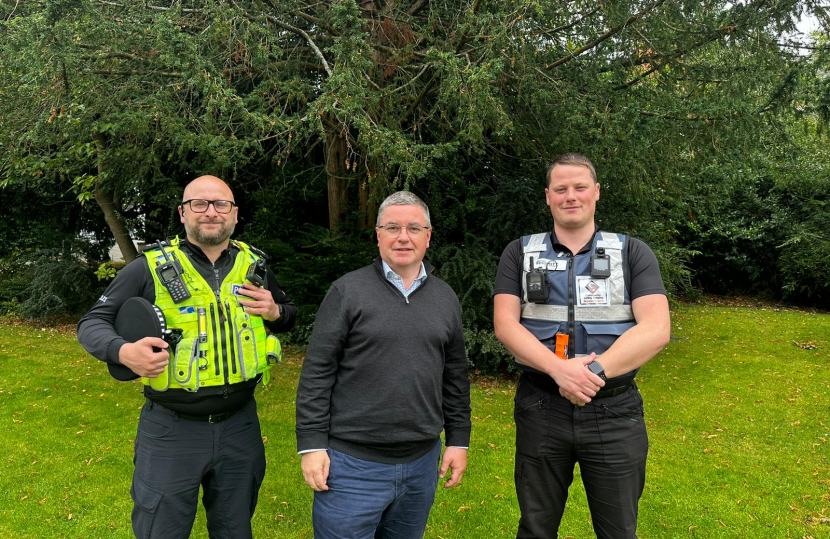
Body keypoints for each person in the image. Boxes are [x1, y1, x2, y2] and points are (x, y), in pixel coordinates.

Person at [77, 175, 297, 539]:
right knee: (161, 530)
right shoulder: (148, 267)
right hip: (171, 430)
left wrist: (276, 312)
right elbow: (92, 323)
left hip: (240, 426)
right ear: (183, 213)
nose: (211, 212)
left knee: (235, 530)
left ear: (234, 214)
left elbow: (288, 314)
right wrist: (123, 351)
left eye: (221, 204)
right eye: (200, 204)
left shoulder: (254, 266)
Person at [493, 153, 671, 539]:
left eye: (579, 187)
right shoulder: (519, 252)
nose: (570, 196)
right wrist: (559, 370)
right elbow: (505, 324)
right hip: (541, 408)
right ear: (547, 196)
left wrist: (590, 373)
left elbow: (657, 328)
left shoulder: (631, 252)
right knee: (536, 529)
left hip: (613, 410)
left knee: (619, 531)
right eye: (560, 189)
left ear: (596, 193)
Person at [295, 191, 471, 539]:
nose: (403, 237)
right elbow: (317, 372)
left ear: (428, 236)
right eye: (392, 227)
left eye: (413, 228)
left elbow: (455, 376)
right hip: (350, 466)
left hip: (421, 463)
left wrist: (458, 440)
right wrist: (312, 445)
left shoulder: (445, 298)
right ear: (378, 234)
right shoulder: (347, 292)